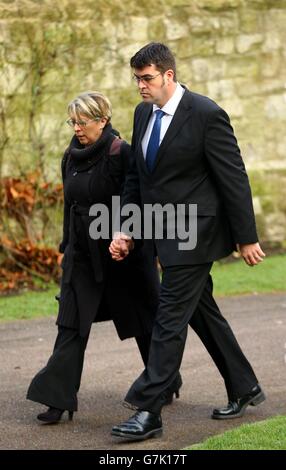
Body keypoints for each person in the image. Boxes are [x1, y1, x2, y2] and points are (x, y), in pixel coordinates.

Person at [109, 43, 266, 441]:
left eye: (147, 78)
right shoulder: (143, 114)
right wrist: (126, 229)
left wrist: (246, 238)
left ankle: (149, 410)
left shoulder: (206, 114)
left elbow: (234, 178)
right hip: (163, 231)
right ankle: (244, 385)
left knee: (169, 318)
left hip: (198, 233)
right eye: (137, 79)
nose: (141, 86)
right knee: (200, 311)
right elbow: (137, 178)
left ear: (168, 76)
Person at [27, 91, 182, 424]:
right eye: (73, 122)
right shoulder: (70, 155)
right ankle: (57, 398)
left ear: (103, 120)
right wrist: (65, 250)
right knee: (71, 322)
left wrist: (129, 238)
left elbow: (136, 199)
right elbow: (70, 208)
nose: (78, 128)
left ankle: (163, 381)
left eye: (83, 122)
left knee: (142, 319)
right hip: (82, 255)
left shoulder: (121, 153)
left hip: (120, 253)